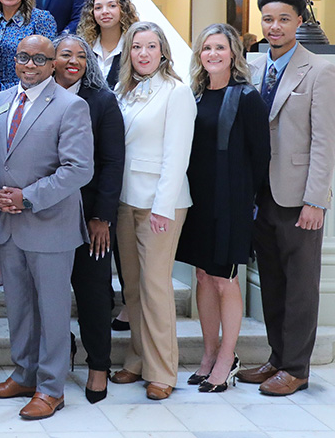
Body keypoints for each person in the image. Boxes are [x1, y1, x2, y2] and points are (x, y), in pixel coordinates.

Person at [0, 34, 93, 420]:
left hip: (49, 224)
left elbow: (79, 169)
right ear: (14, 60)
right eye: (23, 57)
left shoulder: (71, 106)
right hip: (9, 225)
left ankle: (50, 388)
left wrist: (27, 196)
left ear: (53, 64)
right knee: (20, 309)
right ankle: (24, 374)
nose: (30, 65)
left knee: (53, 311)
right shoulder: (0, 101)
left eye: (39, 59)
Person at [236, 0, 335, 397]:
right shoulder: (256, 67)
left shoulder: (319, 71)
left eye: (283, 19)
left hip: (298, 197)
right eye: (267, 19)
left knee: (300, 285)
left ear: (299, 21)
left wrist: (316, 200)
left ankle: (297, 368)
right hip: (262, 194)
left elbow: (325, 141)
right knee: (274, 283)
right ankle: (277, 358)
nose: (274, 26)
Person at [180, 23, 270, 394]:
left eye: (219, 47)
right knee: (202, 276)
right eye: (206, 48)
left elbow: (261, 156)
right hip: (198, 199)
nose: (212, 54)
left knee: (224, 278)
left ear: (233, 53)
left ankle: (227, 358)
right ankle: (208, 354)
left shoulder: (246, 97)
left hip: (230, 200)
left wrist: (248, 203)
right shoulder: (195, 95)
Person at [109, 21, 196, 401]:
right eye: (136, 47)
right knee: (132, 287)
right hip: (126, 199)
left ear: (163, 51)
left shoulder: (176, 92)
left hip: (161, 204)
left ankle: (163, 370)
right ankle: (137, 359)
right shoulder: (123, 90)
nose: (143, 54)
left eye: (150, 46)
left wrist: (162, 207)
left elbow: (177, 156)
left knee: (155, 286)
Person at [49, 33, 124, 405]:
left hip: (88, 216)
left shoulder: (102, 101)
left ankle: (99, 365)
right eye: (65, 54)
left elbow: (112, 163)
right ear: (52, 59)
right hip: (46, 214)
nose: (73, 61)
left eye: (81, 55)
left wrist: (102, 218)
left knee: (94, 293)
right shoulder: (38, 95)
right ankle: (61, 356)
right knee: (50, 295)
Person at [76, 0, 139, 90]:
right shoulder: (84, 48)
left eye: (112, 6)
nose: (104, 11)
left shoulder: (134, 47)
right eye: (98, 8)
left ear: (123, 10)